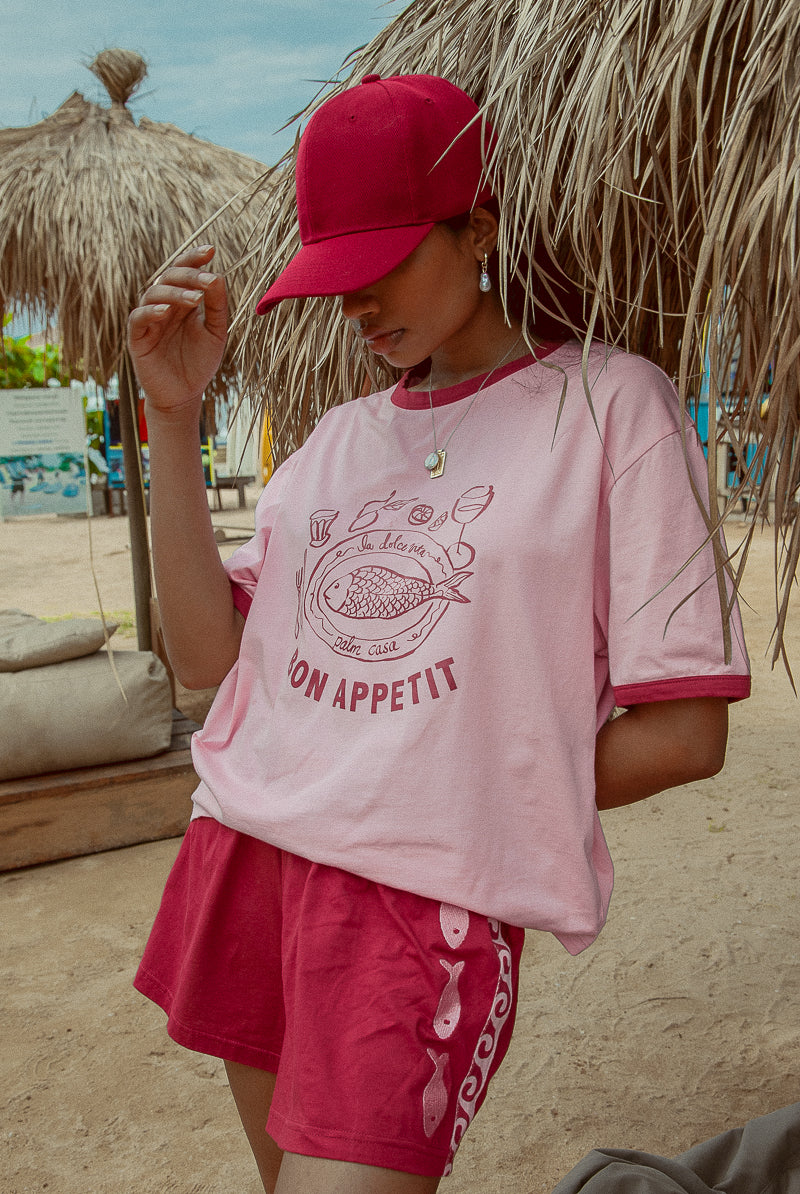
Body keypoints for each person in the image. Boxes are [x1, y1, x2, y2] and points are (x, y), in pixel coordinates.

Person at [128, 74, 750, 1194]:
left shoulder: (613, 410)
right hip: (247, 859)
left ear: (480, 226)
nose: (358, 303)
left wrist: (431, 787)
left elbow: (684, 731)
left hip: (414, 902)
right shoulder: (334, 440)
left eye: (386, 262)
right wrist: (171, 424)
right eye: (336, 278)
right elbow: (207, 667)